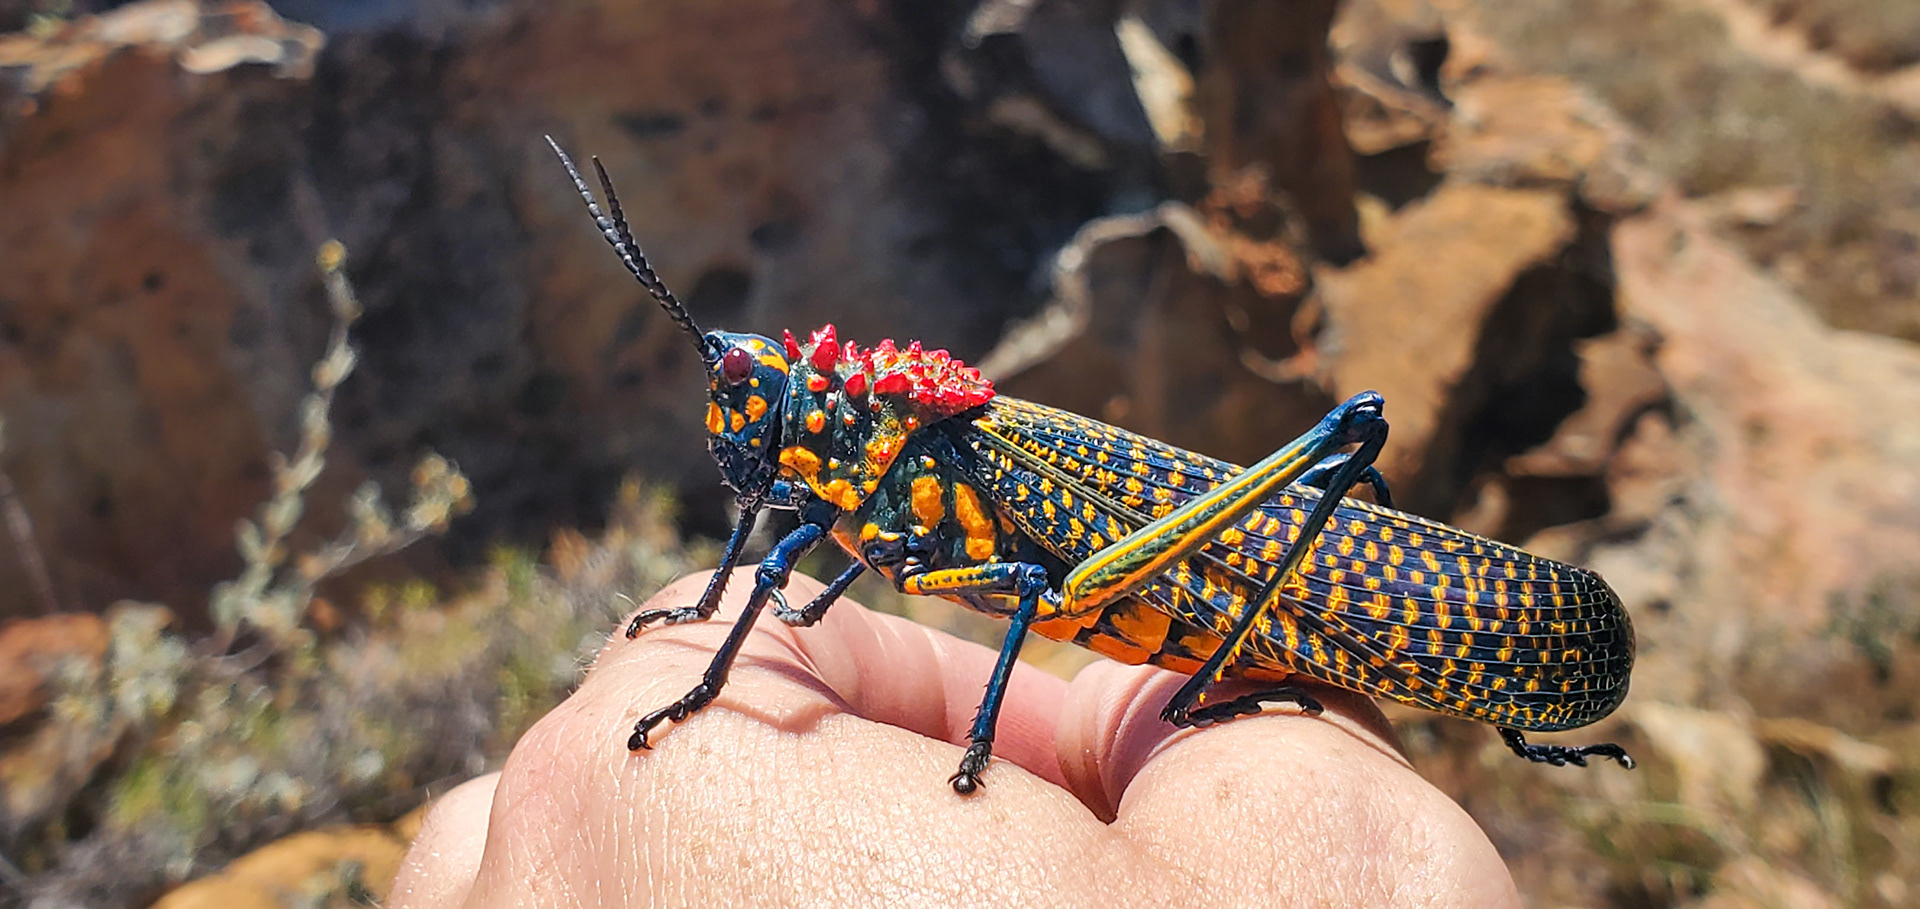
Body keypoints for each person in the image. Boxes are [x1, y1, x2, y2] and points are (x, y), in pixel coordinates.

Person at [390, 570, 1523, 908]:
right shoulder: (834, 484)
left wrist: (978, 753)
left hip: (1144, 567)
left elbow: (1030, 582)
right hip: (1127, 633)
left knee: (1032, 578)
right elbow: (787, 551)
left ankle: (1502, 686)